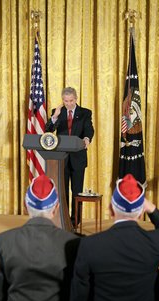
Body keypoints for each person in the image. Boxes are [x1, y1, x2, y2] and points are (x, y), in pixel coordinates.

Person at [69, 173, 159, 301]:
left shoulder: (90, 245)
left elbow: (79, 296)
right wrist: (151, 208)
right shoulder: (156, 242)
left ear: (111, 210)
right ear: (141, 213)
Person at [0, 174, 81, 301]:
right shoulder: (73, 243)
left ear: (26, 206)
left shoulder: (4, 241)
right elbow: (77, 295)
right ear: (56, 208)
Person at [45, 87, 94, 227]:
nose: (69, 103)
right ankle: (63, 219)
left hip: (78, 158)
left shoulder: (85, 113)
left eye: (71, 100)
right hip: (62, 158)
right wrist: (55, 116)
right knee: (63, 190)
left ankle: (75, 221)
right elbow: (48, 130)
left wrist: (86, 138)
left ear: (76, 98)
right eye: (66, 101)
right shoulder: (58, 112)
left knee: (77, 191)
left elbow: (89, 129)